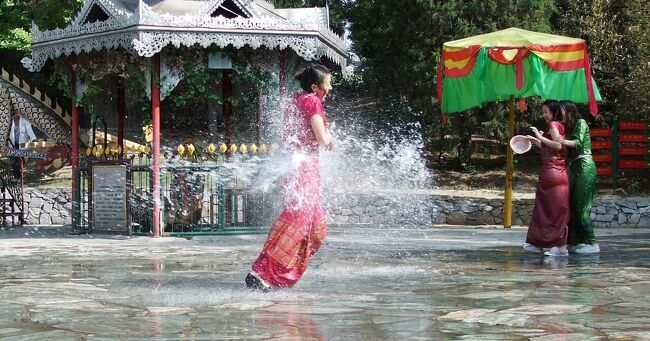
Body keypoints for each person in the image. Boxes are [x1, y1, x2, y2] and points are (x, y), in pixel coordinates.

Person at [246, 64, 333, 291]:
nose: (330, 88)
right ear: (316, 87)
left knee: (313, 224)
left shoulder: (296, 100)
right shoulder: (313, 101)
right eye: (328, 83)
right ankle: (262, 272)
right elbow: (322, 139)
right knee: (299, 220)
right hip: (304, 167)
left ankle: (275, 273)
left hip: (296, 166)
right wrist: (329, 137)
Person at [523, 100, 570, 257]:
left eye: (546, 112)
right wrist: (536, 141)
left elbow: (558, 146)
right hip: (554, 172)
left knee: (553, 210)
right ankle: (539, 243)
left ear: (553, 112)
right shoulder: (557, 125)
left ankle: (560, 246)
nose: (544, 115)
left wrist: (539, 137)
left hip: (553, 172)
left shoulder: (553, 125)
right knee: (546, 209)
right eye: (542, 112)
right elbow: (551, 147)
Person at [556, 100, 599, 254]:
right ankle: (575, 242)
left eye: (561, 111)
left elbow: (578, 143)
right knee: (571, 207)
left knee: (581, 208)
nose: (559, 114)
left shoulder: (581, 123)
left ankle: (592, 244)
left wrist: (560, 140)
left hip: (585, 166)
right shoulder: (567, 127)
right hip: (573, 167)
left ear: (569, 111)